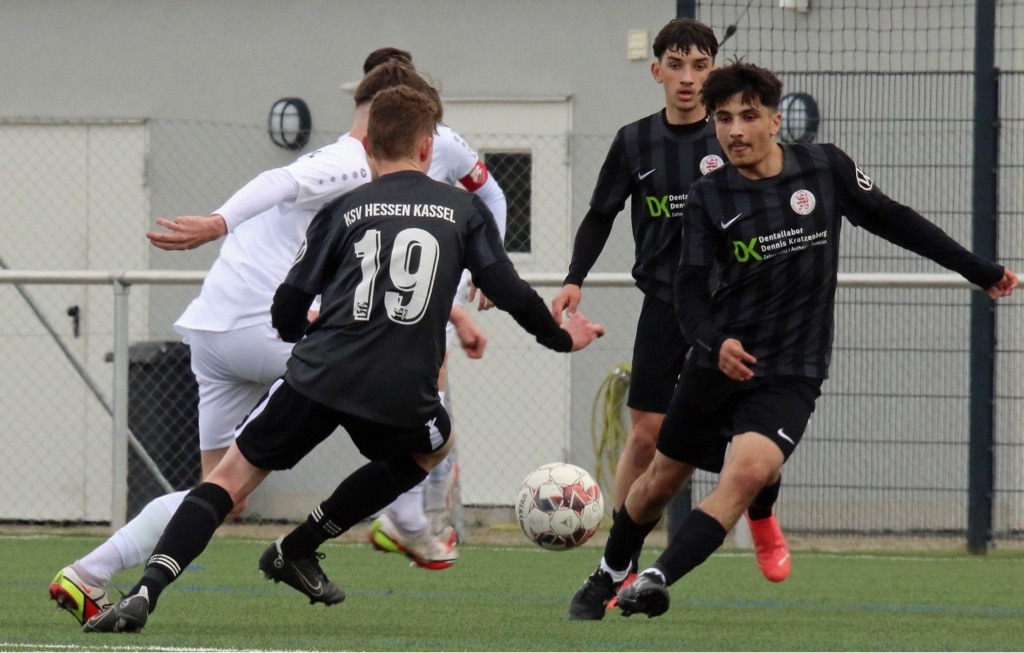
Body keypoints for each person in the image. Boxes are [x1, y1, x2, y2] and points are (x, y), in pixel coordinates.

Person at [83, 84, 605, 634]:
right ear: (427, 147)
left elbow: (287, 305)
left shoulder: (343, 209)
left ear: (369, 146)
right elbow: (512, 292)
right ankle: (299, 545)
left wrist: (300, 334)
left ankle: (145, 591)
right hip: (401, 387)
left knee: (227, 480)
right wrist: (560, 339)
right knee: (434, 446)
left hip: (319, 372)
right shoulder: (464, 210)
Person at [570, 59, 1018, 621]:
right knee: (659, 482)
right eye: (723, 119)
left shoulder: (825, 168)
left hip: (790, 369)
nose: (735, 130)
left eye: (748, 116)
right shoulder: (710, 195)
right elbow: (688, 294)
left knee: (748, 473)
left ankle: (656, 577)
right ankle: (610, 571)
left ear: (775, 121)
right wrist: (714, 344)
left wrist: (979, 269)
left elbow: (895, 219)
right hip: (718, 364)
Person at [47, 61, 459, 625]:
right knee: (405, 376)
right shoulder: (351, 161)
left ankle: (87, 573)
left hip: (217, 328)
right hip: (262, 326)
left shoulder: (366, 173)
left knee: (223, 490)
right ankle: (402, 519)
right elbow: (277, 181)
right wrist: (218, 222)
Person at [551, 19, 789, 608]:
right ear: (656, 71)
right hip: (665, 304)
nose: (688, 78)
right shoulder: (635, 141)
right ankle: (620, 560)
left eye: (699, 65)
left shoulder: (732, 138)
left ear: (714, 71)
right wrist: (574, 278)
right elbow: (600, 214)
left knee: (752, 442)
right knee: (646, 437)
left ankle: (762, 515)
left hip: (732, 309)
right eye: (676, 65)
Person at [359, 47, 509, 568]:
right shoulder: (355, 148)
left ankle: (414, 516)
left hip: (431, 286)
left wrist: (484, 266)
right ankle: (416, 508)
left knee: (425, 390)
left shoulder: (441, 142)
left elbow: (493, 197)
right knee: (396, 397)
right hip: (375, 287)